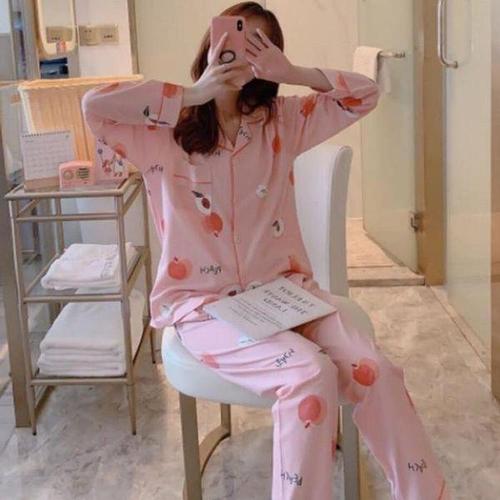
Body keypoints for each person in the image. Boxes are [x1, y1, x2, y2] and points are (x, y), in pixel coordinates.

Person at [82, 2, 450, 499]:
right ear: (210, 46)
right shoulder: (165, 131)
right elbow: (94, 106)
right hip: (203, 306)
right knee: (309, 374)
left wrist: (292, 73)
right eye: (234, 41)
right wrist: (195, 93)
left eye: (261, 45)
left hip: (284, 294)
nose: (244, 54)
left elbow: (364, 94)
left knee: (378, 371)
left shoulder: (282, 123)